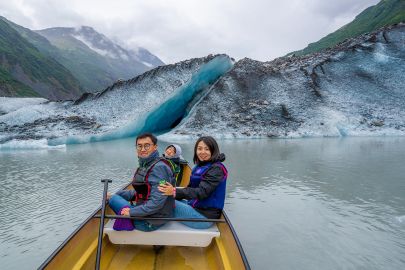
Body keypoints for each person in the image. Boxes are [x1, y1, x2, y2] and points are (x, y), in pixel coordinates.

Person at [107, 133, 176, 231]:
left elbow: (156, 202)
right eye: (139, 146)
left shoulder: (159, 168)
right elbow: (142, 192)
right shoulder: (146, 164)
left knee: (113, 200)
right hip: (153, 215)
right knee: (115, 196)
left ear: (155, 147)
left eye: (147, 146)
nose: (143, 149)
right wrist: (118, 193)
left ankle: (127, 224)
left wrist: (132, 212)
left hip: (149, 221)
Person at [158, 136, 227, 229]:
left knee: (163, 202)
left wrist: (174, 192)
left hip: (204, 217)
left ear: (213, 150)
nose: (202, 152)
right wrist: (173, 194)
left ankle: (152, 228)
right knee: (165, 197)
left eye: (207, 149)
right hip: (195, 207)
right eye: (199, 149)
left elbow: (202, 192)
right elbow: (190, 189)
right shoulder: (199, 166)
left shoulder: (216, 169)